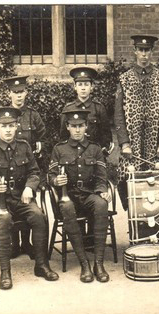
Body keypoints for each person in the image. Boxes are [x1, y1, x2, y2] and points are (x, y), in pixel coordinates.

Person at [0, 107, 58, 290]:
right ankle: (5, 272)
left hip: (22, 199)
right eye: (4, 126)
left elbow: (35, 172)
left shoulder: (24, 146)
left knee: (38, 216)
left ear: (16, 126)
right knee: (4, 220)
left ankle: (41, 265)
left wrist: (30, 187)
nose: (8, 130)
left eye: (11, 126)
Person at [48, 107, 111, 283]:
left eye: (81, 126)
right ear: (67, 127)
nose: (77, 130)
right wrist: (55, 181)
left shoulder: (95, 149)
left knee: (101, 204)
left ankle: (98, 263)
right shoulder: (59, 149)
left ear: (86, 127)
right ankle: (84, 264)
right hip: (69, 196)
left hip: (89, 194)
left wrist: (102, 191)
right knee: (67, 207)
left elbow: (101, 176)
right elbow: (50, 176)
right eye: (73, 126)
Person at [114, 34, 159, 210]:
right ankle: (135, 222)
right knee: (127, 179)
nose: (144, 54)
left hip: (156, 144)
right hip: (131, 145)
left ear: (151, 52)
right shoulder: (124, 79)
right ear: (135, 51)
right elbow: (118, 114)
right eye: (140, 50)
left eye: (147, 50)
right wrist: (124, 143)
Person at [2, 75, 46, 259]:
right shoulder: (4, 116)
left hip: (27, 169)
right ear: (9, 93)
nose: (18, 96)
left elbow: (43, 136)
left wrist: (41, 144)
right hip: (7, 170)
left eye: (21, 92)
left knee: (28, 202)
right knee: (10, 205)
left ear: (26, 92)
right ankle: (14, 244)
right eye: (15, 92)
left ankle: (26, 243)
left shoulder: (33, 115)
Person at [60, 67, 113, 155]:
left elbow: (106, 135)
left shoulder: (99, 108)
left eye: (86, 84)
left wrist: (101, 151)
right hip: (73, 154)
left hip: (94, 154)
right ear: (75, 87)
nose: (83, 88)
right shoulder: (68, 108)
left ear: (91, 87)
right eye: (80, 84)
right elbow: (63, 136)